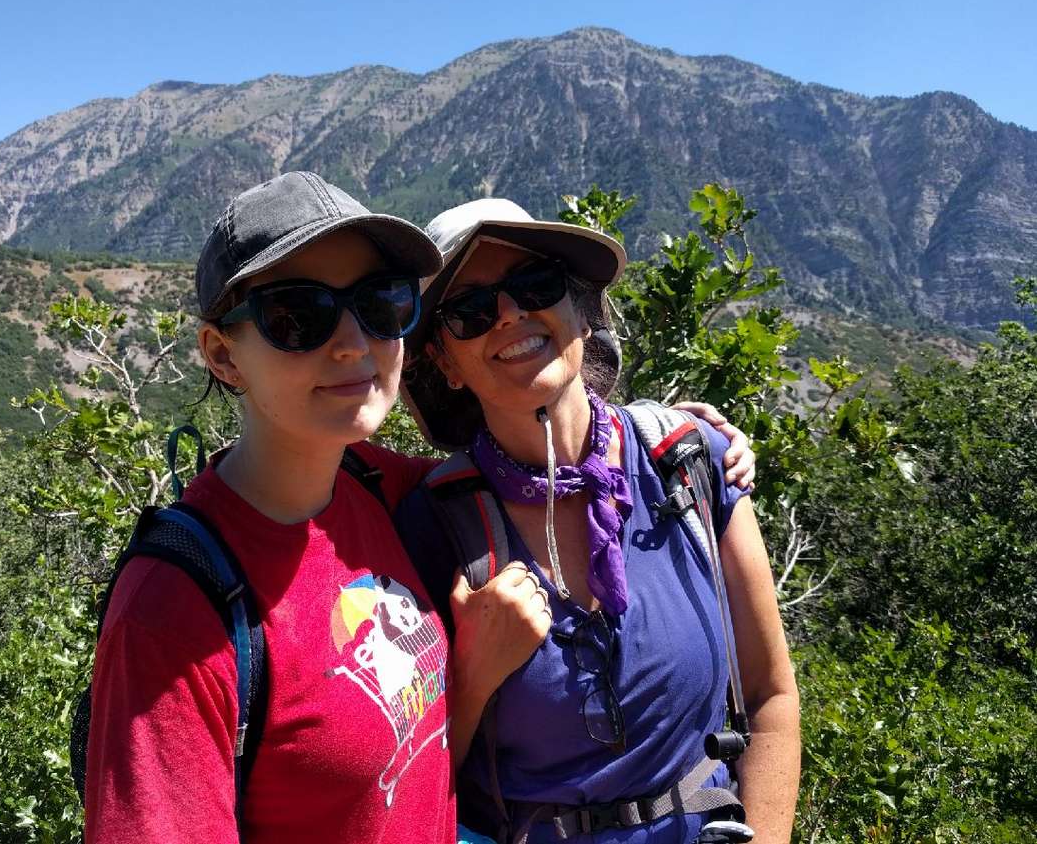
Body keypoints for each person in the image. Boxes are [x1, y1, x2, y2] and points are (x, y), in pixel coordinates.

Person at [83, 173, 759, 843]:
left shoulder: (381, 490)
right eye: (297, 317)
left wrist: (675, 432)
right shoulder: (173, 612)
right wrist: (472, 672)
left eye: (379, 303)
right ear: (222, 354)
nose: (352, 341)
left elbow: (529, 460)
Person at [394, 198, 800, 844]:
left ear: (578, 307)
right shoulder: (433, 526)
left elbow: (771, 695)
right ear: (444, 360)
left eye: (535, 285)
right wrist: (472, 673)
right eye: (470, 310)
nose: (510, 314)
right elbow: (405, 772)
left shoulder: (689, 462)